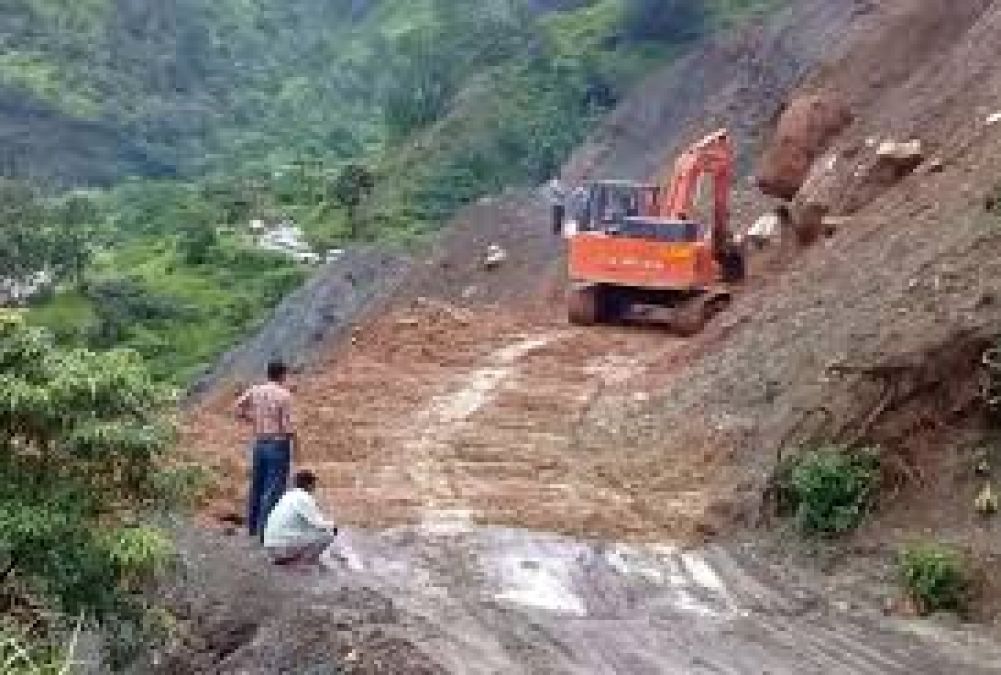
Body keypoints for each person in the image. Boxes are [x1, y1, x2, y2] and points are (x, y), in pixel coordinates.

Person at [236, 360, 295, 540]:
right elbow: (286, 426)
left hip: (260, 442)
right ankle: (265, 533)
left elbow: (237, 407)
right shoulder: (284, 395)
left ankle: (252, 529)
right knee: (273, 489)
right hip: (277, 443)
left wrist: (253, 420)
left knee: (257, 486)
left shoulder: (255, 390)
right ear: (282, 375)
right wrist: (295, 439)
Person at [263, 470, 338, 568]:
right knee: (328, 535)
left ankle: (285, 560)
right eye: (313, 484)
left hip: (270, 546)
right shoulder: (304, 498)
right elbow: (318, 523)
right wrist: (333, 526)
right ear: (309, 485)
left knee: (312, 533)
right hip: (282, 547)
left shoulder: (288, 495)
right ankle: (303, 564)